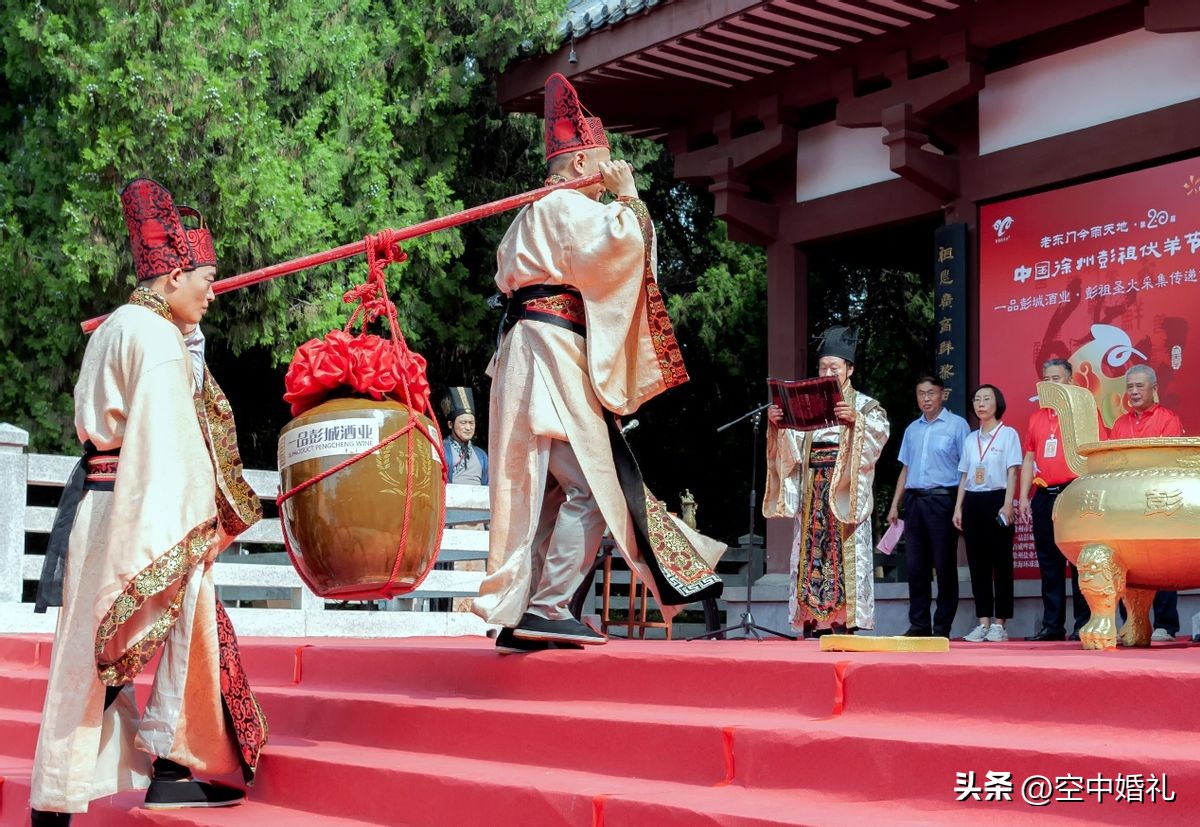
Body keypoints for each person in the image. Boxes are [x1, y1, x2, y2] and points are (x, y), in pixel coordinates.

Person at [29, 179, 266, 825]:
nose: (214, 291)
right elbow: (169, 446)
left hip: (110, 501)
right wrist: (198, 526)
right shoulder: (156, 338)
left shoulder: (117, 327)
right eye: (207, 278)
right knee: (109, 649)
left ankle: (161, 767)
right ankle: (83, 790)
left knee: (137, 642)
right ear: (173, 276)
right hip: (142, 507)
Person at [472, 74, 724, 653]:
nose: (608, 174)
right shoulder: (563, 206)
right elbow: (620, 247)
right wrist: (629, 196)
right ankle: (547, 605)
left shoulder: (530, 215)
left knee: (550, 493)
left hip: (529, 352)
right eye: (604, 164)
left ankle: (523, 609)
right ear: (584, 159)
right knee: (593, 488)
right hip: (550, 354)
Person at [763, 326, 890, 636]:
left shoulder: (865, 405)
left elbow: (879, 436)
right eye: (823, 367)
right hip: (812, 490)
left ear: (850, 369)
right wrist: (778, 426)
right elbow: (792, 449)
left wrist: (855, 422)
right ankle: (814, 619)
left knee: (842, 553)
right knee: (811, 550)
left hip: (843, 489)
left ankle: (844, 619)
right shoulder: (809, 402)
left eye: (835, 367)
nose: (828, 372)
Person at [1019, 358, 1106, 641]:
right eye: (1046, 379)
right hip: (1044, 494)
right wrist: (1023, 497)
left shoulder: (1084, 411)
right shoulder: (1036, 417)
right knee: (1049, 563)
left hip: (1075, 492)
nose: (1049, 384)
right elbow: (1030, 458)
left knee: (1081, 561)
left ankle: (1084, 623)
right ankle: (1052, 626)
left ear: (1070, 382)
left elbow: (1098, 452)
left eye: (1056, 379)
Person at [888, 376, 970, 637]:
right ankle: (919, 624)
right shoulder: (912, 429)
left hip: (942, 499)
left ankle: (942, 626)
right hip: (914, 501)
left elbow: (966, 469)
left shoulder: (957, 426)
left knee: (944, 565)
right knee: (915, 567)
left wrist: (959, 506)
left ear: (941, 395)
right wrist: (894, 506)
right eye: (921, 393)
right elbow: (906, 468)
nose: (925, 398)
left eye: (931, 393)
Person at [1110, 364, 1184, 641]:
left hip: (1156, 503)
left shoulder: (1167, 419)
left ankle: (1166, 625)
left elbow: (1169, 461)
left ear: (1154, 389)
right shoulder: (1120, 423)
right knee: (1123, 565)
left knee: (1161, 565)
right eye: (1130, 386)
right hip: (1125, 507)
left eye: (1140, 386)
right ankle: (1130, 622)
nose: (1134, 391)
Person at [951, 385, 1021, 642]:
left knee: (1001, 563)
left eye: (987, 399)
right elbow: (964, 475)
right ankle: (983, 622)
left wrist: (1007, 503)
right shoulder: (971, 439)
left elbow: (1013, 471)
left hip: (997, 499)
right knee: (977, 564)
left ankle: (1000, 624)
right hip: (973, 501)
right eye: (977, 399)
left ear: (997, 404)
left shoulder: (1008, 434)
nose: (981, 404)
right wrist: (959, 507)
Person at [441, 387, 488, 485]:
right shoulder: (441, 449)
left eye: (471, 423)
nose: (468, 427)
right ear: (450, 424)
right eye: (463, 423)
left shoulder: (481, 455)